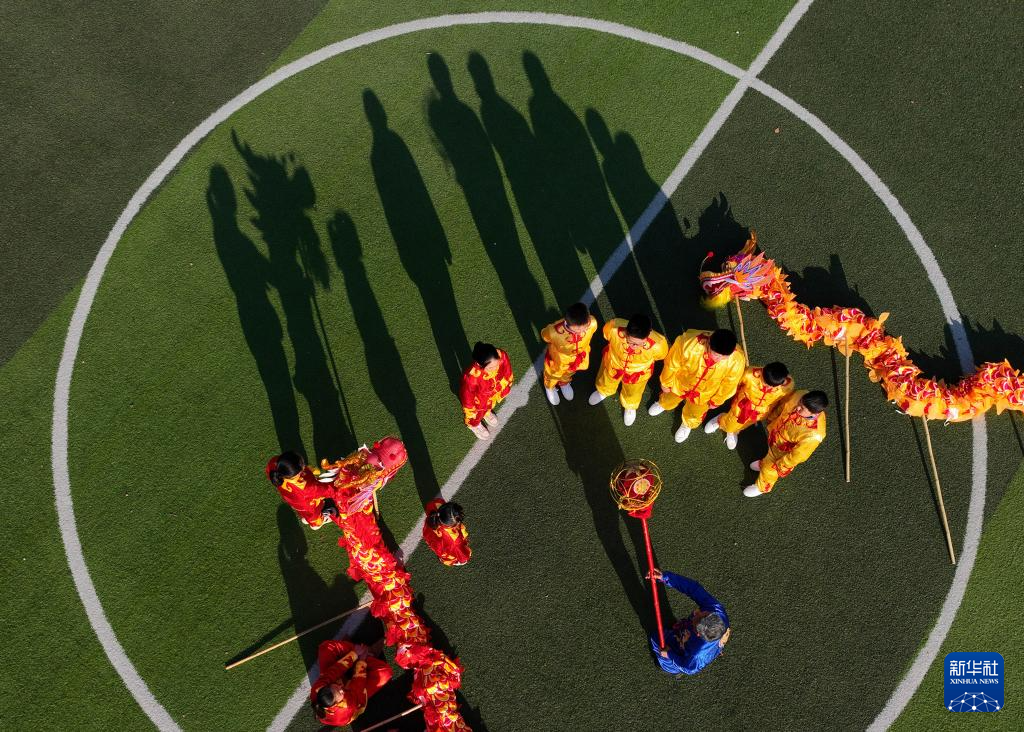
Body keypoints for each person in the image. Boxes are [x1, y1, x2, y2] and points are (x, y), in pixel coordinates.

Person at [649, 329, 746, 443]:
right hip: (680, 381)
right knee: (669, 397)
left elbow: (729, 384)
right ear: (708, 343)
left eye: (724, 357)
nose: (718, 359)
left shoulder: (737, 360)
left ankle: (687, 424)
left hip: (705, 394)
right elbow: (672, 363)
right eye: (716, 355)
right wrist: (666, 382)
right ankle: (663, 403)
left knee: (695, 413)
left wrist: (716, 400)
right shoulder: (688, 343)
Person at [646, 568, 730, 676]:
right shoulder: (716, 610)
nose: (698, 613)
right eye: (704, 613)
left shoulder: (698, 656)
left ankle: (667, 666)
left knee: (656, 639)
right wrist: (665, 577)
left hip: (683, 653)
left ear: (698, 634)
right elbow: (693, 588)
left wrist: (669, 654)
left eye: (697, 618)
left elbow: (688, 668)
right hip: (692, 638)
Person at [588, 313, 668, 426]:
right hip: (614, 364)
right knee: (606, 380)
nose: (633, 346)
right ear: (626, 330)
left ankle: (630, 405)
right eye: (629, 341)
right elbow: (606, 335)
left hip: (637, 373)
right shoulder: (613, 327)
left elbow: (660, 356)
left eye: (638, 344)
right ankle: (603, 391)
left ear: (648, 334)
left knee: (633, 392)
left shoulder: (658, 344)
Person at [744, 390, 828, 497]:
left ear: (814, 413)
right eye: (800, 403)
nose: (797, 408)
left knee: (770, 469)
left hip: (782, 451)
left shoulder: (813, 435)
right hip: (776, 435)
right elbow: (783, 407)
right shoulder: (800, 395)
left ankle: (762, 487)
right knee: (768, 454)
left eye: (802, 408)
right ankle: (763, 464)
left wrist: (781, 466)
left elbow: (797, 456)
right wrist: (772, 418)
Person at [704, 361, 794, 449]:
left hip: (761, 412)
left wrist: (773, 415)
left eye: (772, 386)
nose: (767, 387)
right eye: (765, 382)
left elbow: (783, 401)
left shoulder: (788, 387)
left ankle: (734, 431)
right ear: (762, 371)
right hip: (742, 406)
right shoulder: (749, 374)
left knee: (746, 424)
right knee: (732, 420)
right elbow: (737, 385)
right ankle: (721, 421)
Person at [309, 639, 392, 727]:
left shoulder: (318, 688)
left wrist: (354, 653)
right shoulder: (346, 707)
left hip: (345, 686)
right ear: (336, 703)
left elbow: (334, 671)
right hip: (356, 697)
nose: (341, 688)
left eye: (337, 687)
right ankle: (366, 653)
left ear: (326, 686)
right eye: (340, 692)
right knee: (385, 673)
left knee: (326, 647)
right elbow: (358, 686)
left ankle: (359, 650)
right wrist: (361, 661)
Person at [540, 302, 598, 405]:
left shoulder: (592, 323)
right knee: (553, 373)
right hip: (559, 358)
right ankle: (549, 386)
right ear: (566, 322)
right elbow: (545, 336)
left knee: (570, 372)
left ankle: (564, 382)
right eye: (578, 329)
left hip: (579, 357)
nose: (582, 331)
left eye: (585, 327)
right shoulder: (554, 332)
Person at [265, 450, 338, 530]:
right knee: (314, 520)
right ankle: (322, 519)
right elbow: (329, 490)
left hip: (295, 502)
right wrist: (342, 481)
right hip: (310, 506)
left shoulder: (274, 464)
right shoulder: (307, 487)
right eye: (302, 464)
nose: (304, 465)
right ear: (298, 473)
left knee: (303, 512)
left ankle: (305, 518)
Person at [459, 341, 514, 439]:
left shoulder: (501, 355)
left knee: (490, 405)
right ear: (480, 365)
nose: (495, 368)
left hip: (492, 393)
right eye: (491, 367)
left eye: (497, 364)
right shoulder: (472, 377)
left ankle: (487, 413)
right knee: (476, 414)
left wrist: (506, 385)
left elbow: (507, 370)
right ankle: (474, 425)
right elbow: (467, 397)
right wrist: (471, 411)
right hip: (479, 400)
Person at [423, 499, 472, 566]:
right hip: (444, 548)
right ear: (452, 524)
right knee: (449, 557)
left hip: (429, 534)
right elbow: (464, 558)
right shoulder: (456, 542)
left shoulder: (436, 504)